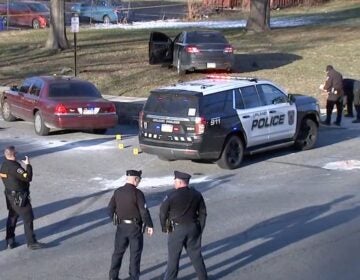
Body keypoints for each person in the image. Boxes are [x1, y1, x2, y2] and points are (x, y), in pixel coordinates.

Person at [160, 171, 208, 280]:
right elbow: (203, 213)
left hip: (177, 229)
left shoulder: (171, 195)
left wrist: (164, 227)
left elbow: (162, 212)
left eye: (175, 181)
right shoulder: (196, 194)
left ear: (180, 182)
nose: (174, 183)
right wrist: (200, 228)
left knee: (173, 258)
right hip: (193, 228)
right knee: (196, 256)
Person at [108, 170, 154, 280]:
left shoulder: (118, 192)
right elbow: (143, 211)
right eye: (139, 180)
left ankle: (112, 277)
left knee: (117, 253)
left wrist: (115, 219)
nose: (139, 182)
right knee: (135, 255)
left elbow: (110, 209)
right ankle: (133, 277)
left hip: (121, 227)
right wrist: (150, 225)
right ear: (135, 179)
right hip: (135, 228)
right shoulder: (138, 193)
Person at [0, 146, 43, 250]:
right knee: (28, 218)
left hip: (9, 196)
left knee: (12, 217)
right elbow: (28, 177)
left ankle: (10, 240)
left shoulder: (3, 166)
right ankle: (31, 242)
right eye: (16, 153)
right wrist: (28, 165)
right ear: (13, 155)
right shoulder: (15, 167)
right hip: (19, 197)